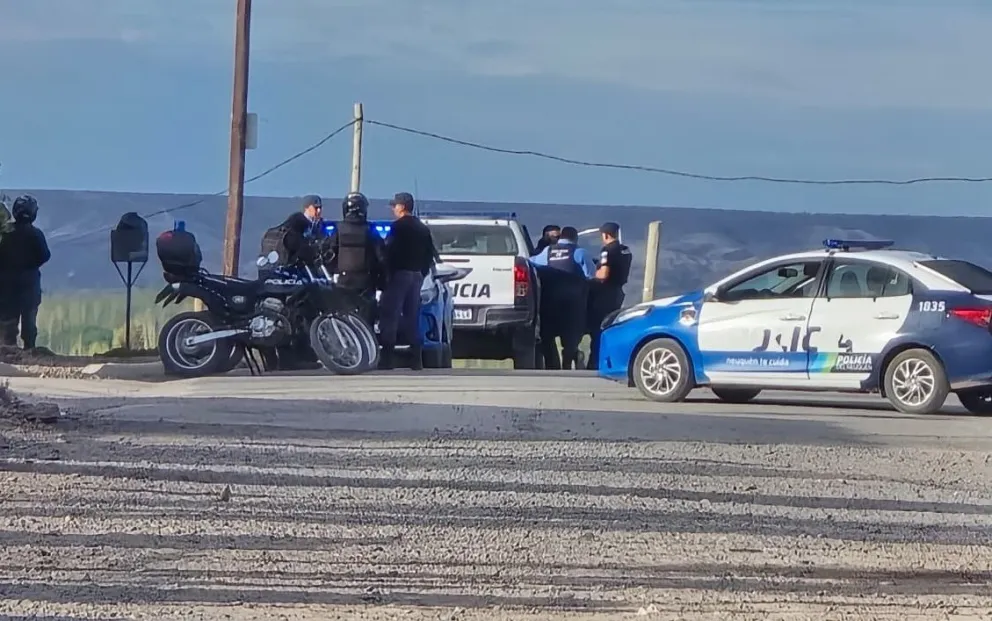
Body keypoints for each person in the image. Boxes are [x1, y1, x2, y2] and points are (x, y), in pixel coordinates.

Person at [256, 194, 327, 371]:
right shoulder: (294, 235)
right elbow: (308, 255)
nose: (318, 210)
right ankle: (292, 360)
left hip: (266, 282)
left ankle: (271, 362)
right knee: (292, 319)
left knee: (272, 320)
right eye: (315, 207)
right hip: (285, 284)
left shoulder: (273, 233)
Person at [379, 192, 437, 371]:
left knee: (390, 315)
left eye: (395, 205)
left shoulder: (398, 227)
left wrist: (385, 273)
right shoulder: (422, 228)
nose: (393, 209)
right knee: (412, 317)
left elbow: (389, 251)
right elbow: (430, 255)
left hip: (399, 275)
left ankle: (387, 358)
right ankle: (416, 359)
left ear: (402, 206)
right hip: (417, 276)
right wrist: (422, 271)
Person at [530, 226, 596, 370]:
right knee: (571, 337)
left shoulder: (548, 251)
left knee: (547, 336)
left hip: (550, 302)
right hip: (574, 303)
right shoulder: (580, 253)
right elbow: (592, 276)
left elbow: (531, 263)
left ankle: (552, 366)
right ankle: (567, 364)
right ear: (575, 238)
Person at [323, 192, 388, 324]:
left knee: (343, 312)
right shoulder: (370, 230)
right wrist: (382, 281)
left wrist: (331, 272)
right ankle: (367, 338)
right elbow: (381, 257)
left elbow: (328, 254)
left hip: (343, 279)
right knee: (366, 314)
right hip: (366, 279)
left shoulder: (338, 229)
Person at [0, 196, 51, 349]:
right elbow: (45, 255)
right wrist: (29, 266)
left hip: (5, 286)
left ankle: (8, 352)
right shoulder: (36, 234)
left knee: (8, 324)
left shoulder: (5, 234)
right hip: (29, 284)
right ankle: (30, 351)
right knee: (29, 323)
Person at [587, 221, 632, 370]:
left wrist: (595, 273)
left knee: (598, 328)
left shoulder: (607, 251)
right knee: (611, 326)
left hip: (605, 293)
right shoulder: (626, 250)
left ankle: (594, 362)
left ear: (605, 235)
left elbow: (604, 274)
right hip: (618, 292)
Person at [259, 194, 326, 273]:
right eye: (316, 207)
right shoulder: (298, 223)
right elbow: (299, 246)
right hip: (294, 267)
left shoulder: (317, 223)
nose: (319, 211)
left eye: (320, 208)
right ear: (306, 208)